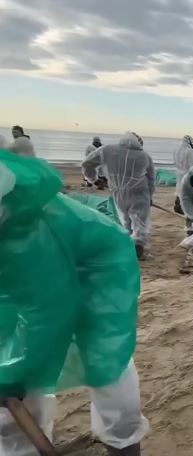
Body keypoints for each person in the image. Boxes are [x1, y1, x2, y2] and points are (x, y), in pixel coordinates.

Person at [0, 151, 149, 456]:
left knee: (106, 358)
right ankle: (22, 445)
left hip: (97, 268)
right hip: (34, 278)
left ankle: (123, 441)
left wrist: (13, 374)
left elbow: (47, 313)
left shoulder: (30, 233)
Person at [82, 132, 155, 260]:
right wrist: (150, 195)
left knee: (124, 220)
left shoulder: (107, 150)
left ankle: (127, 244)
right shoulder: (144, 156)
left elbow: (87, 163)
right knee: (139, 222)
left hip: (117, 192)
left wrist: (93, 178)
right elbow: (151, 179)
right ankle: (137, 248)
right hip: (139, 193)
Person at [173, 135, 193, 214]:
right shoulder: (190, 151)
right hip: (187, 173)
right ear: (189, 142)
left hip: (179, 172)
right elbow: (192, 165)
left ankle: (177, 204)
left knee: (179, 188)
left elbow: (174, 162)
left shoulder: (176, 149)